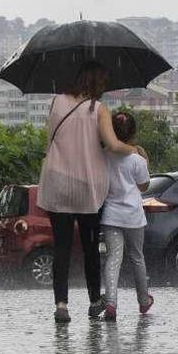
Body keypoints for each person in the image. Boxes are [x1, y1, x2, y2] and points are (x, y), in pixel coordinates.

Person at [38, 61, 146, 323]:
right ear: (97, 83)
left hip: (57, 182)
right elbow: (111, 144)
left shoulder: (57, 102)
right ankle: (94, 299)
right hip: (87, 186)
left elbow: (49, 139)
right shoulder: (98, 109)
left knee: (61, 248)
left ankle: (61, 305)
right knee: (89, 247)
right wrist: (135, 149)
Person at [101, 111, 153, 321]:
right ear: (133, 133)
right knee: (137, 258)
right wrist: (145, 161)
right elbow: (144, 186)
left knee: (113, 258)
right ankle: (143, 300)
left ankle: (111, 303)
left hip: (111, 215)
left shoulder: (103, 156)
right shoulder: (137, 159)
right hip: (133, 217)